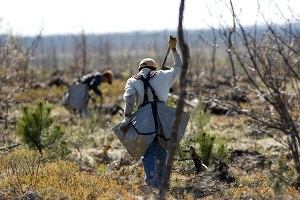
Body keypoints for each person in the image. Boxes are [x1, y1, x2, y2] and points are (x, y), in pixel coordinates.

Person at [119, 36, 182, 191]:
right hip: (162, 117)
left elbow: (129, 98)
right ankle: (161, 185)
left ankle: (152, 184)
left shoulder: (133, 80)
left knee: (148, 151)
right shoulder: (164, 75)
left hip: (144, 118)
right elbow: (180, 66)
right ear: (155, 68)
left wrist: (127, 118)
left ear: (140, 69)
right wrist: (173, 49)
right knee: (162, 151)